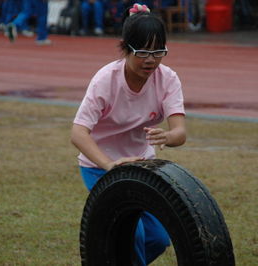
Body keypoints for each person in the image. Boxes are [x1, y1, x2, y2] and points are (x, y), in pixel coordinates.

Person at [71, 3, 186, 265]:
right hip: (100, 166)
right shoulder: (106, 80)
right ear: (125, 48)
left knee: (158, 238)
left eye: (159, 51)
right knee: (133, 234)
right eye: (143, 51)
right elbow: (78, 133)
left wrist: (167, 137)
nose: (151, 60)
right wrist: (109, 165)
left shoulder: (167, 79)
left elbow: (180, 133)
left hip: (143, 167)